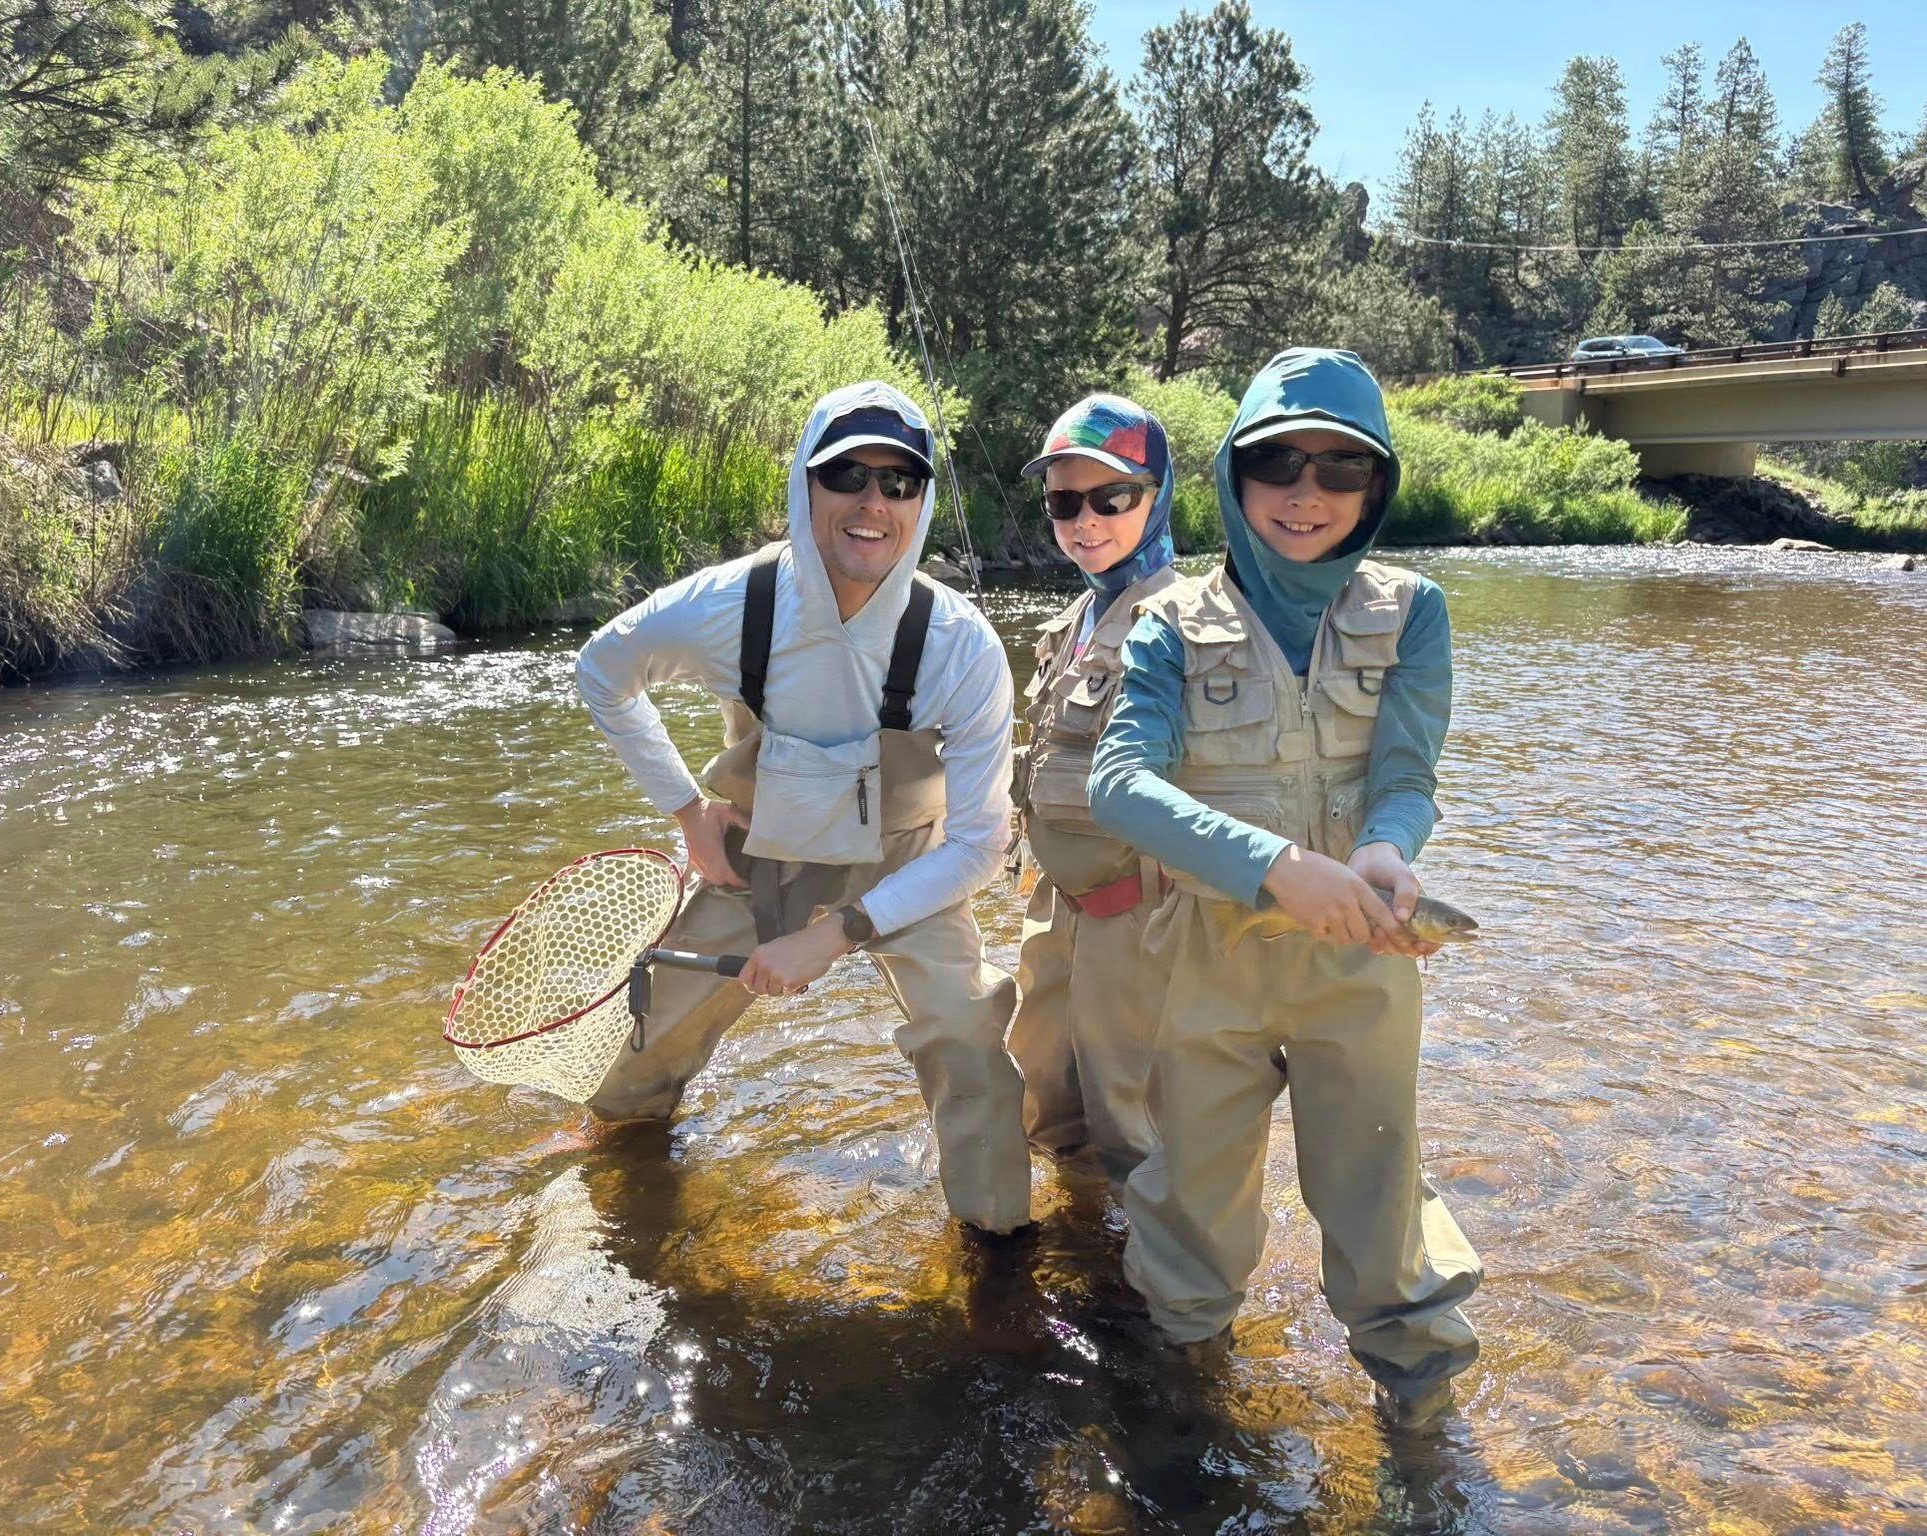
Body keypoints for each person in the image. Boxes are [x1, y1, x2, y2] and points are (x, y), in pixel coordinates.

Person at [1087, 348, 1481, 1425]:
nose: (1305, 493)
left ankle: (1417, 1414)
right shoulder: (1167, 623)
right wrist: (1272, 869)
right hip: (1205, 965)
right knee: (1191, 1213)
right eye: (1276, 463)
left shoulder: (1415, 612)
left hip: (1363, 951)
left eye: (1338, 469)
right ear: (1232, 476)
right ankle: (1182, 1399)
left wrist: (1384, 851)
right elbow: (1116, 784)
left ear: (1375, 486)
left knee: (1378, 1199)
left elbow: (1405, 778)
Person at [574, 380, 1032, 1236]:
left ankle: (998, 1257)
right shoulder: (726, 606)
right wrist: (688, 812)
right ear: (804, 486)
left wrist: (835, 933)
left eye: (899, 483)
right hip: (760, 856)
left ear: (923, 501)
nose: (872, 503)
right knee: (634, 1071)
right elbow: (602, 670)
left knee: (972, 1047)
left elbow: (978, 846)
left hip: (912, 865)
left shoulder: (961, 646)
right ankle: (620, 1207)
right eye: (847, 475)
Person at [1005, 395, 1177, 1177]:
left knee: (1143, 1135)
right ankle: (1076, 1250)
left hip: (1144, 932)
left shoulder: (1190, 621)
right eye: (1063, 502)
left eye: (1111, 497)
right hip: (1057, 915)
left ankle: (1163, 1292)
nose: (1086, 520)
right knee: (1046, 1105)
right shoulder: (1076, 614)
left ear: (1158, 493)